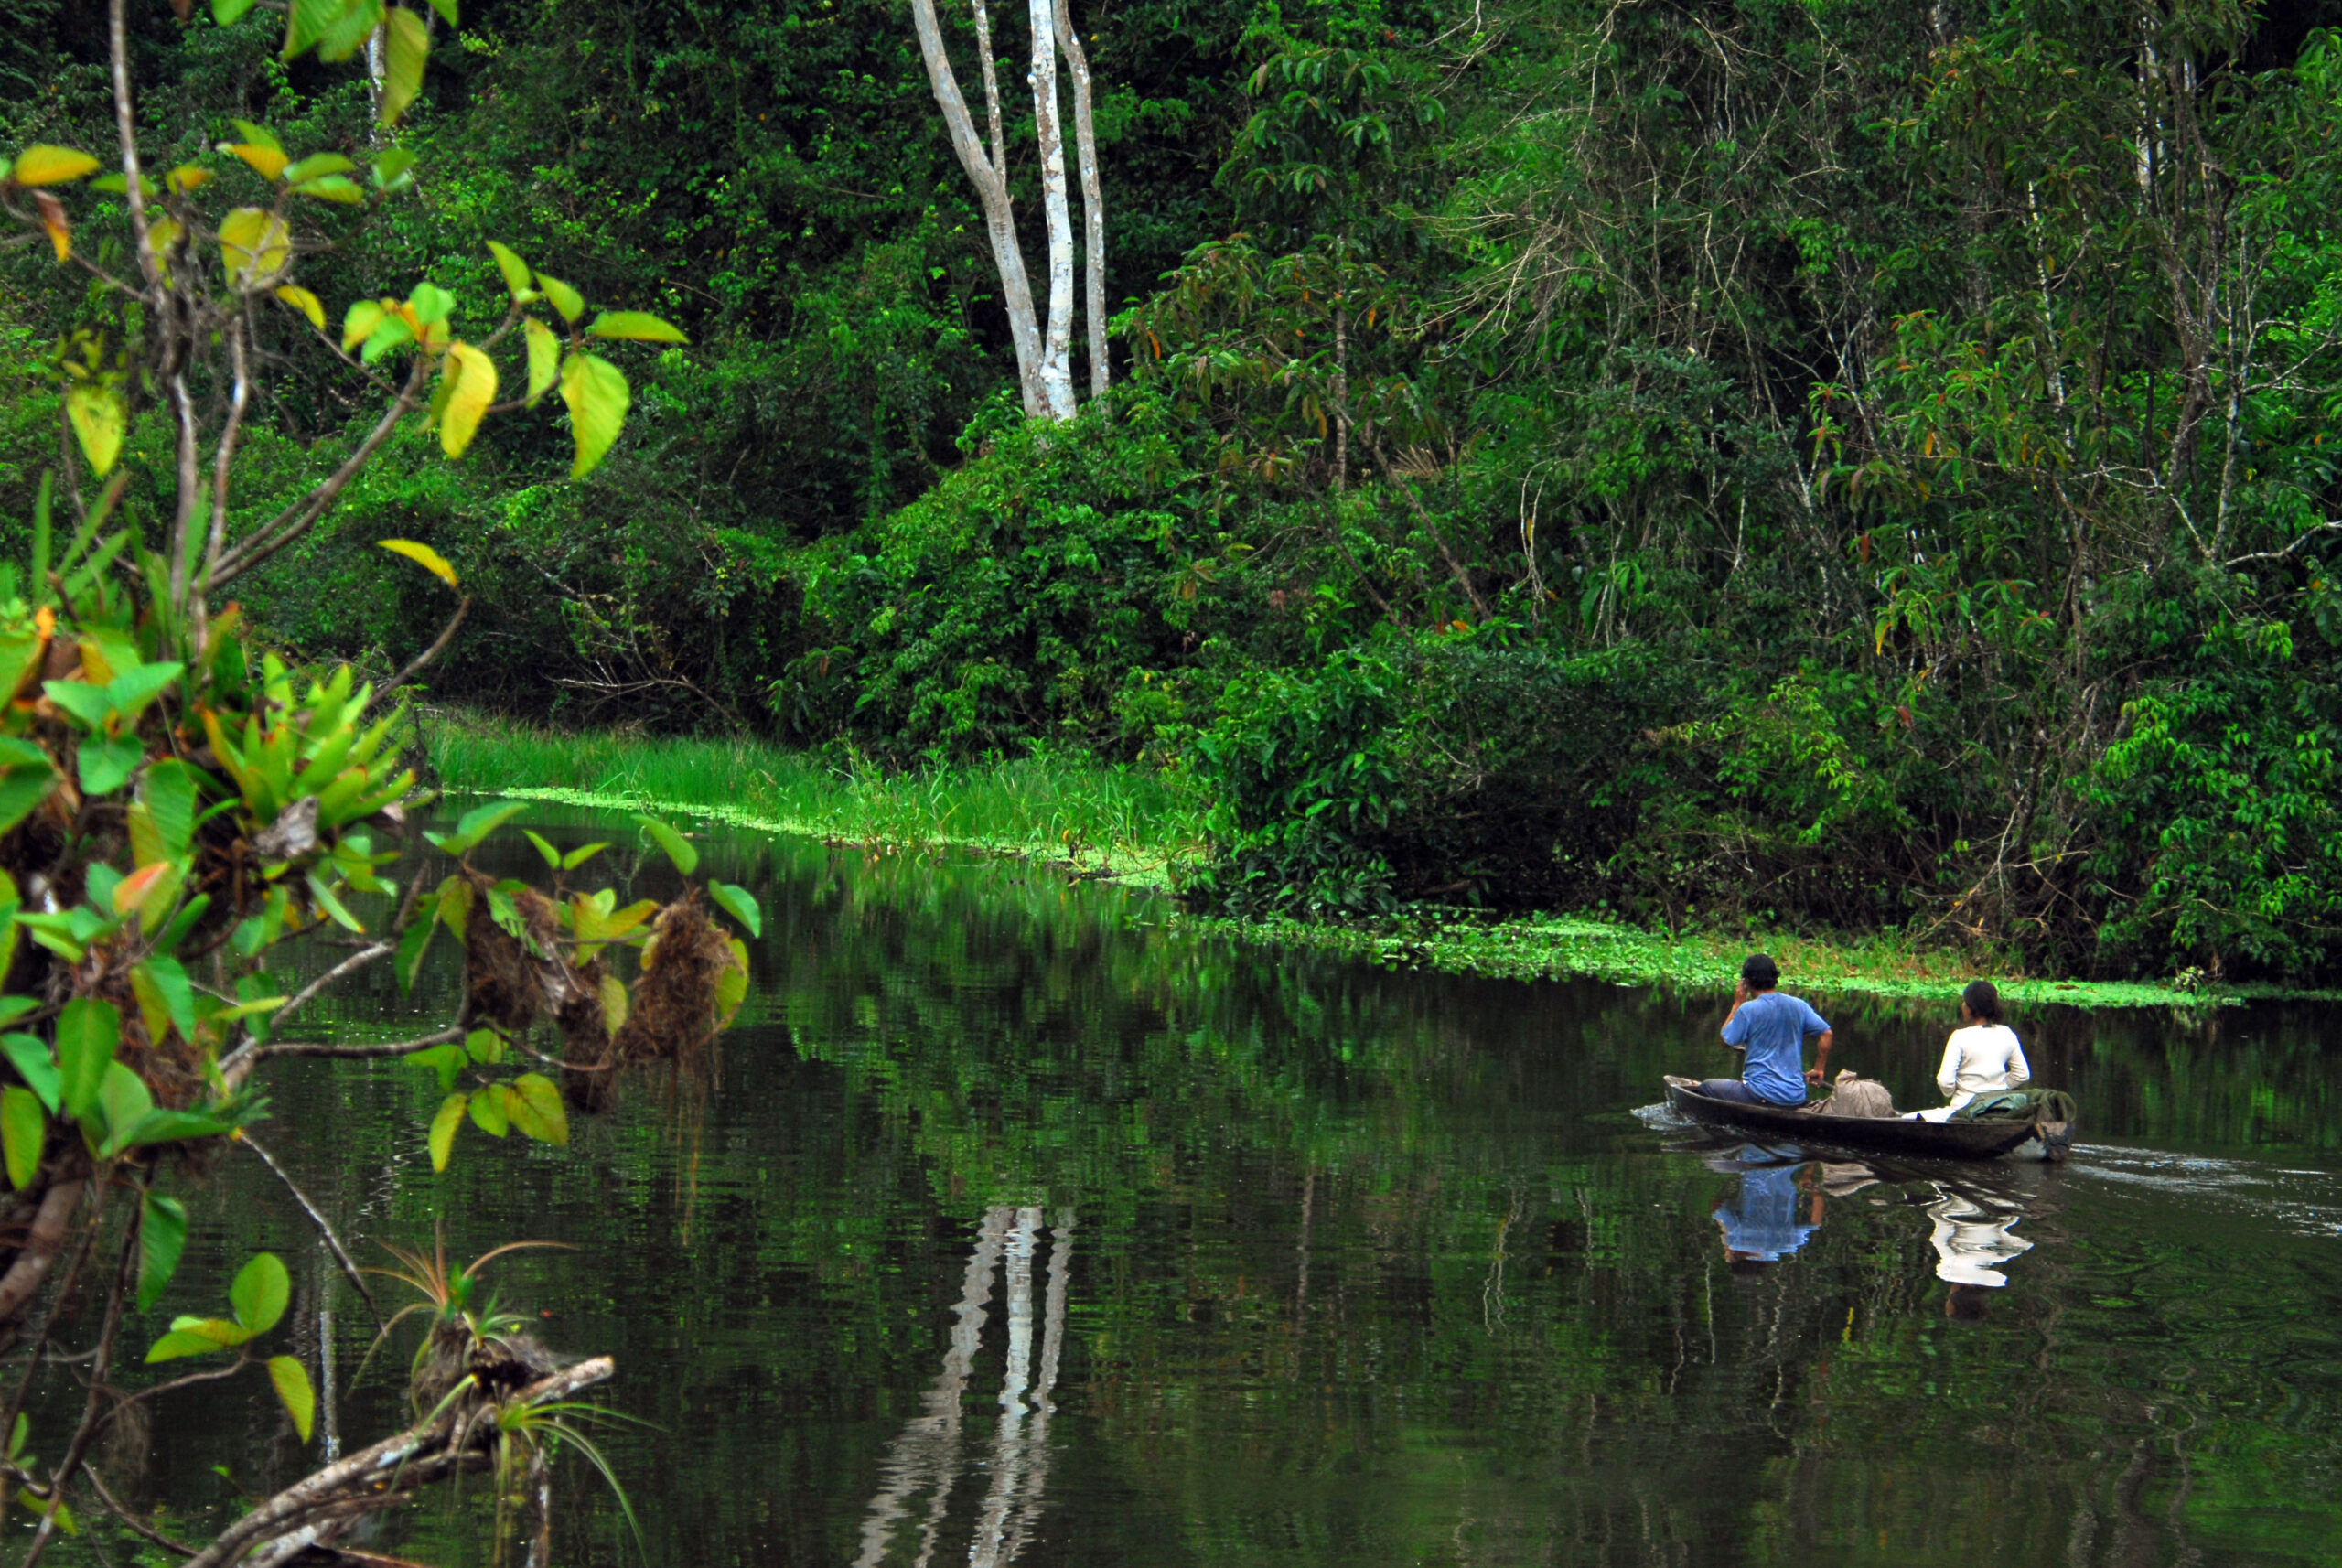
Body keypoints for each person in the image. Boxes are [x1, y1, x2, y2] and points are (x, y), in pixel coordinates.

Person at [1700, 954, 1832, 1107]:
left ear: (1746, 982)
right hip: (1795, 1096)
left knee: (1706, 1087)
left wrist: (1737, 1003)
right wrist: (1818, 1068)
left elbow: (1725, 1041)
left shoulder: (1747, 1010)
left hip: (1760, 1094)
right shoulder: (1799, 1005)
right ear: (1774, 978)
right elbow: (1826, 1034)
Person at [1907, 980, 2030, 1122]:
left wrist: (1950, 1093)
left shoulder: (1960, 1037)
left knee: (1905, 1118)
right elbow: (2022, 1075)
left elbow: (1945, 1082)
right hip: (1998, 1110)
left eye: (1965, 1002)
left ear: (1970, 1008)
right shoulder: (2008, 1034)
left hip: (1962, 1111)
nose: (1963, 1005)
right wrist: (2000, 1086)